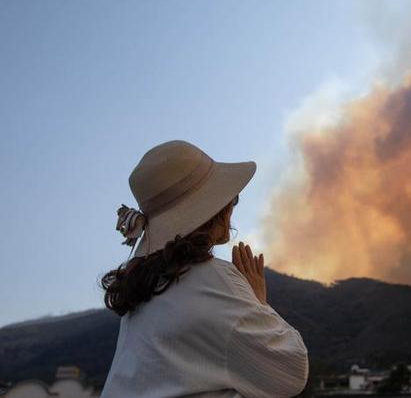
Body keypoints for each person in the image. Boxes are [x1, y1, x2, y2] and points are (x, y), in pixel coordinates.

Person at [99, 140, 308, 398]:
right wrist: (258, 301)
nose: (232, 207)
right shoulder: (214, 279)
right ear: (214, 210)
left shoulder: (142, 293)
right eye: (231, 200)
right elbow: (290, 372)